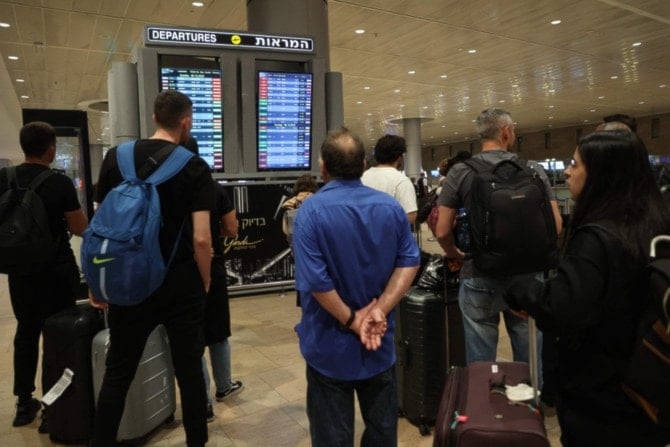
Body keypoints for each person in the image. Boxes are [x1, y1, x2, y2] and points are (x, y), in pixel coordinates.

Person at [503, 130, 670, 447]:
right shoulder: (655, 224)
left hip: (602, 393)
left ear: (602, 174)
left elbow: (564, 307)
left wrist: (523, 289)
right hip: (649, 377)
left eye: (575, 164)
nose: (567, 171)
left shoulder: (596, 236)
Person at [89, 90, 215, 447]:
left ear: (155, 117)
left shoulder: (117, 157)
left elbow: (102, 226)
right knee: (189, 374)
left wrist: (99, 281)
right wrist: (204, 279)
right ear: (186, 122)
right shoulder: (194, 166)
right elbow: (203, 239)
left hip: (128, 280)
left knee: (118, 372)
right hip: (180, 283)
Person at [292, 127, 420, 446]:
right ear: (364, 165)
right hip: (378, 340)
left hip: (329, 346)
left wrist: (352, 320)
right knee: (382, 431)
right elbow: (409, 262)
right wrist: (378, 311)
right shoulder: (390, 208)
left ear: (323, 167)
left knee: (332, 435)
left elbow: (317, 281)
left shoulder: (310, 211)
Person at [435, 108, 562, 365]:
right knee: (530, 360)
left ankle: (485, 403)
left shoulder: (461, 172)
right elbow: (556, 226)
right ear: (506, 132)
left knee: (481, 363)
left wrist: (454, 254)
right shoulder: (533, 169)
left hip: (479, 272)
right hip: (528, 275)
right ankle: (530, 402)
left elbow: (441, 229)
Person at [0, 121, 87, 429]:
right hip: (56, 272)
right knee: (59, 337)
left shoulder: (3, 178)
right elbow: (78, 228)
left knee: (26, 333)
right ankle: (56, 406)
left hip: (19, 271)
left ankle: (24, 404)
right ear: (51, 148)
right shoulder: (58, 183)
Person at [202, 181, 243, 421]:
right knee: (217, 332)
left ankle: (202, 403)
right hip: (212, 266)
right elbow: (231, 228)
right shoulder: (213, 188)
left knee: (191, 338)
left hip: (178, 271)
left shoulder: (164, 185)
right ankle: (224, 386)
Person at [361, 134, 418, 224]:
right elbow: (410, 216)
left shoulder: (362, 177)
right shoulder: (401, 180)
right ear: (399, 158)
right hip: (388, 236)